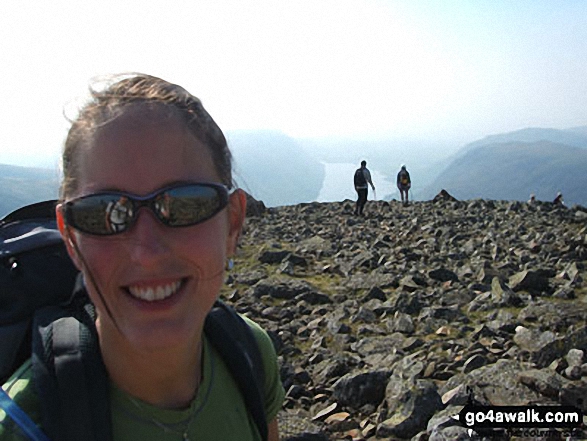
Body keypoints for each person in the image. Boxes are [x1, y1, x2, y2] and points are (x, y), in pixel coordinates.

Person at [0, 74, 284, 440]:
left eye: (184, 204)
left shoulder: (249, 352)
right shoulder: (24, 428)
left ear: (232, 224)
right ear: (71, 238)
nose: (146, 252)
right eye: (103, 213)